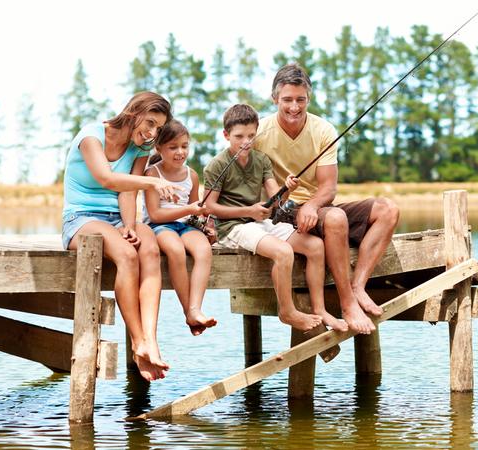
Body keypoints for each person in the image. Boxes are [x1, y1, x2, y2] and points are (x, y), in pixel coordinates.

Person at [255, 63, 400, 335]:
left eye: (301, 100)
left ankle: (357, 286)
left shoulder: (323, 130)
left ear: (309, 98)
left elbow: (328, 188)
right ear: (275, 99)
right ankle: (347, 305)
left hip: (317, 207)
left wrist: (311, 205)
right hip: (281, 210)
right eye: (287, 100)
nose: (294, 107)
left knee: (388, 209)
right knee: (335, 217)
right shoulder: (260, 132)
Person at [61, 91, 178, 381]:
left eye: (158, 128)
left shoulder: (139, 149)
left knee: (148, 245)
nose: (152, 133)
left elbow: (128, 191)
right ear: (133, 112)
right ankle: (137, 342)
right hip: (81, 218)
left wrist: (129, 225)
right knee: (127, 255)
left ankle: (151, 339)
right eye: (149, 123)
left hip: (116, 219)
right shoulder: (91, 136)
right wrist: (152, 181)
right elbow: (107, 179)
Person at [204, 104, 344, 332]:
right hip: (231, 227)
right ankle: (287, 311)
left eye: (251, 136)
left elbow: (275, 198)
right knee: (283, 251)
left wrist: (286, 188)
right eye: (239, 136)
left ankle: (319, 308)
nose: (245, 142)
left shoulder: (261, 160)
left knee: (316, 246)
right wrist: (249, 211)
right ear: (226, 135)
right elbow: (209, 207)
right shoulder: (216, 165)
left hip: (258, 223)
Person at [143, 119, 218, 336]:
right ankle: (189, 312)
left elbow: (194, 211)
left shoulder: (192, 175)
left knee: (203, 250)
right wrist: (189, 210)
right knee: (175, 250)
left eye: (184, 146)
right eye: (173, 147)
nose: (180, 152)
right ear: (159, 148)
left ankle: (196, 308)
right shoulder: (152, 174)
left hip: (185, 226)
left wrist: (204, 220)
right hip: (159, 226)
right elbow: (155, 213)